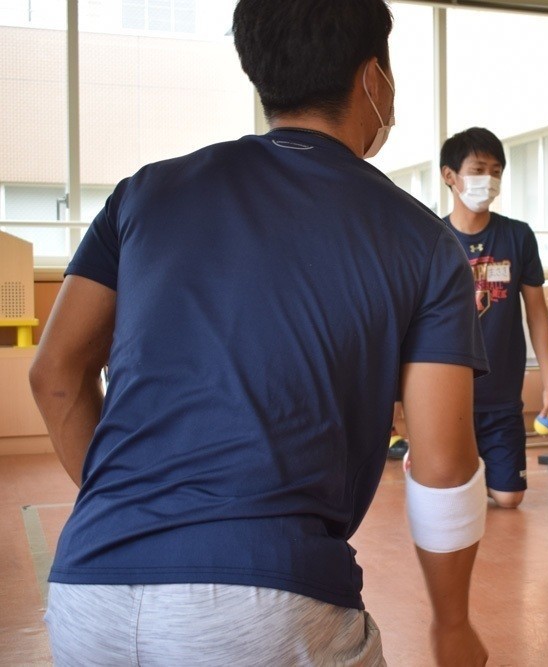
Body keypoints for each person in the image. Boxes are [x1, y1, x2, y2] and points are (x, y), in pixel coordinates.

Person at [29, 2, 490, 664]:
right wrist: (451, 625)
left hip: (87, 588)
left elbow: (54, 375)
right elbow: (443, 465)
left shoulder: (144, 194)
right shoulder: (422, 239)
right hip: (267, 599)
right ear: (373, 79)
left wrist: (136, 519)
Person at [441, 126, 548, 510]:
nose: (488, 180)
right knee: (449, 495)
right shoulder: (432, 237)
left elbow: (538, 314)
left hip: (502, 395)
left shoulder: (518, 236)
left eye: (496, 172)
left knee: (510, 499)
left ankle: (481, 472)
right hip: (450, 394)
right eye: (479, 169)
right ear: (450, 176)